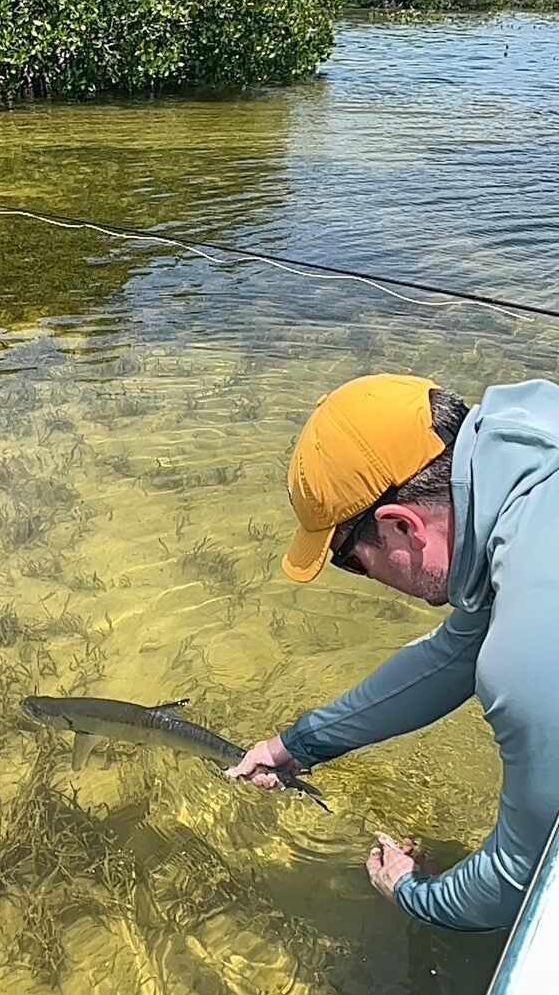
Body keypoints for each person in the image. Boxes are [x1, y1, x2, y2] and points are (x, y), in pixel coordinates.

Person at [227, 372, 559, 932]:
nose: (362, 577)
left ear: (400, 525)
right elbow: (453, 655)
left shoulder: (530, 644)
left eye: (350, 560)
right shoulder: (529, 428)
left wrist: (409, 890)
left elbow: (518, 882)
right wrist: (298, 744)